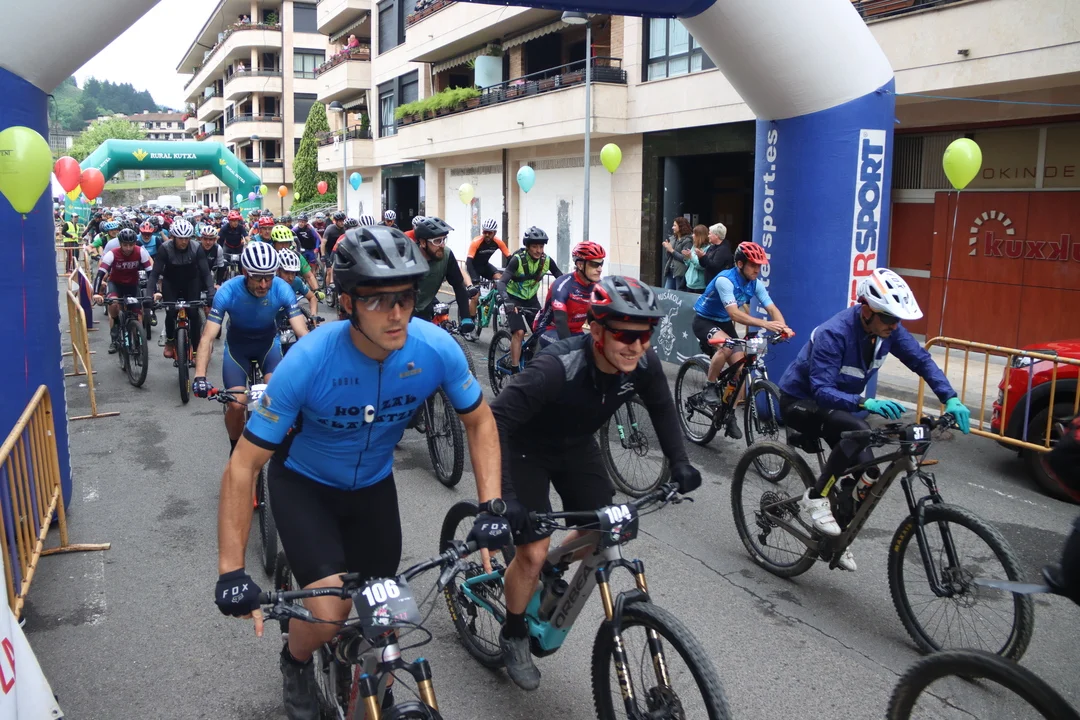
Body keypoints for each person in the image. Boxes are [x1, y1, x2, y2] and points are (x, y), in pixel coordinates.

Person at [212, 226, 510, 717]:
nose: (396, 314)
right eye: (377, 300)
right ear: (348, 303)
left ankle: (373, 698)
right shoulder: (309, 360)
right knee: (330, 615)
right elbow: (243, 465)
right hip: (305, 486)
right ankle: (295, 661)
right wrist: (231, 571)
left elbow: (479, 422)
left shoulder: (434, 348)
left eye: (405, 298)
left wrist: (491, 508)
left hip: (372, 489)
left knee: (386, 618)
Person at [490, 275, 703, 690]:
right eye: (625, 334)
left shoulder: (643, 363)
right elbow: (494, 419)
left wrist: (680, 463)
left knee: (604, 529)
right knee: (532, 552)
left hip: (576, 446)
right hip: (525, 448)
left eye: (645, 335)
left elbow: (662, 408)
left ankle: (550, 566)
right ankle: (513, 631)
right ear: (597, 330)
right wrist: (507, 497)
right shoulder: (556, 367)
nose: (636, 345)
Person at [778, 268, 972, 572]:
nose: (894, 326)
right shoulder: (834, 333)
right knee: (859, 427)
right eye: (889, 318)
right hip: (802, 402)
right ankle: (816, 497)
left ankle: (835, 537)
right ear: (867, 310)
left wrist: (951, 397)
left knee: (868, 474)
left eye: (898, 320)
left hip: (840, 407)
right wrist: (865, 402)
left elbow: (921, 360)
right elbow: (822, 390)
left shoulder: (888, 331)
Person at [191, 243, 310, 454]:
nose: (264, 285)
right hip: (238, 350)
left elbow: (302, 333)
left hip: (268, 346)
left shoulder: (282, 288)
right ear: (245, 273)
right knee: (237, 405)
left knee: (276, 399)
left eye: (269, 277)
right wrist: (200, 376)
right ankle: (235, 449)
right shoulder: (228, 291)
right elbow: (208, 337)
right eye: (257, 278)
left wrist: (317, 369)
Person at [692, 241, 792, 438]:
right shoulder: (725, 280)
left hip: (724, 323)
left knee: (741, 369)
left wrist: (783, 327)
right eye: (753, 265)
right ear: (740, 264)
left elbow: (771, 308)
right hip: (704, 320)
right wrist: (766, 324)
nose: (757, 270)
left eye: (759, 266)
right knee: (727, 346)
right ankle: (710, 387)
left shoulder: (755, 284)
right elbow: (735, 314)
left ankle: (728, 414)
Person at [148, 218, 215, 360]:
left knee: (193, 314)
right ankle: (170, 341)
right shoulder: (165, 248)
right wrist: (149, 294)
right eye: (180, 238)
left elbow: (205, 273)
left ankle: (196, 350)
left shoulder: (197, 248)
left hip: (191, 282)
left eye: (186, 238)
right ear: (173, 237)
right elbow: (154, 274)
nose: (184, 242)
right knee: (171, 312)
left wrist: (211, 292)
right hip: (171, 283)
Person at [497, 227, 562, 369]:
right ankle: (514, 369)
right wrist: (507, 302)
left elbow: (562, 280)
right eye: (534, 247)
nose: (539, 250)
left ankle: (530, 358)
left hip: (531, 299)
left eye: (541, 246)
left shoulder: (547, 260)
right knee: (519, 332)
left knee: (542, 332)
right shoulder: (517, 260)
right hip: (513, 299)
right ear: (527, 247)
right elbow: (501, 283)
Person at [532, 241, 605, 348]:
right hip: (549, 328)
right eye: (594, 264)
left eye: (601, 263)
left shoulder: (598, 286)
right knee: (570, 350)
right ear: (580, 265)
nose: (600, 269)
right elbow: (560, 320)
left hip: (575, 330)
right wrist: (570, 348)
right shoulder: (563, 285)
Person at [92, 228, 153, 354]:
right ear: (120, 244)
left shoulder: (140, 251)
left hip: (133, 285)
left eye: (131, 245)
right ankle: (115, 337)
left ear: (135, 243)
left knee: (138, 313)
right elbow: (100, 274)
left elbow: (150, 273)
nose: (128, 248)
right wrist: (96, 293)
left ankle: (138, 340)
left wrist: (155, 291)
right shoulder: (112, 254)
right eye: (125, 245)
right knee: (114, 304)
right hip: (116, 284)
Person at [412, 217, 474, 334]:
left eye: (444, 239)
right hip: (404, 312)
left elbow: (458, 286)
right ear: (423, 242)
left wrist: (466, 317)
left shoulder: (446, 255)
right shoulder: (409, 257)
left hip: (425, 307)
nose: (442, 245)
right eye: (437, 241)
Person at [466, 218, 511, 318]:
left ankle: (490, 301)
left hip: (485, 266)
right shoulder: (476, 242)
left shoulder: (498, 242)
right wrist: (474, 280)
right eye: (485, 232)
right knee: (475, 296)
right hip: (473, 268)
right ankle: (471, 321)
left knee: (500, 280)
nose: (486, 235)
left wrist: (509, 273)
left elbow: (510, 258)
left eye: (489, 233)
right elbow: (468, 262)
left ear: (495, 233)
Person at [269, 224, 320, 296]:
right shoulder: (269, 256)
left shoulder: (296, 256)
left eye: (287, 243)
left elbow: (309, 276)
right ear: (274, 243)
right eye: (281, 243)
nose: (284, 246)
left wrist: (316, 290)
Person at [277, 248, 318, 318]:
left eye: (293, 273)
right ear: (278, 271)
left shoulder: (296, 281)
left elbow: (312, 297)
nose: (291, 278)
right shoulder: (270, 283)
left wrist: (313, 314)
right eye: (286, 272)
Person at [661, 217, 693, 290]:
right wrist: (667, 249)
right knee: (667, 292)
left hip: (680, 272)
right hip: (671, 270)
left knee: (679, 293)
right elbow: (668, 257)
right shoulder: (673, 238)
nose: (673, 227)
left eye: (675, 225)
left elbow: (684, 258)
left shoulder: (688, 240)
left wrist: (672, 250)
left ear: (681, 226)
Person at [700, 222, 733, 287]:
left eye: (710, 234)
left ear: (716, 235)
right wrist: (700, 257)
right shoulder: (712, 247)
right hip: (710, 282)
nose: (708, 236)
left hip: (717, 284)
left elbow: (715, 266)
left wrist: (703, 256)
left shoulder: (723, 249)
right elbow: (704, 265)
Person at [682, 224, 710, 292]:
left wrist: (691, 257)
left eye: (695, 234)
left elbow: (701, 266)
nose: (692, 235)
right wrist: (686, 257)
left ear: (700, 236)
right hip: (689, 281)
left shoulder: (708, 248)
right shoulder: (694, 246)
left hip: (699, 284)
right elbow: (688, 264)